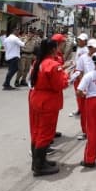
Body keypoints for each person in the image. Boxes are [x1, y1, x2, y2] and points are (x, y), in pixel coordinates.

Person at [28, 38, 68, 176]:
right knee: (45, 132)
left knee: (36, 131)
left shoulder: (38, 62)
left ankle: (39, 161)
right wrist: (66, 75)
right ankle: (39, 166)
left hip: (36, 97)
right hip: (48, 100)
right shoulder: (53, 65)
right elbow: (60, 84)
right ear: (53, 49)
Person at [73, 38, 96, 140]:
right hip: (86, 87)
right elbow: (80, 72)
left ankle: (94, 130)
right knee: (85, 111)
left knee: (95, 111)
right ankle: (85, 131)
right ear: (89, 48)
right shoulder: (83, 58)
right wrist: (82, 87)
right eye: (95, 47)